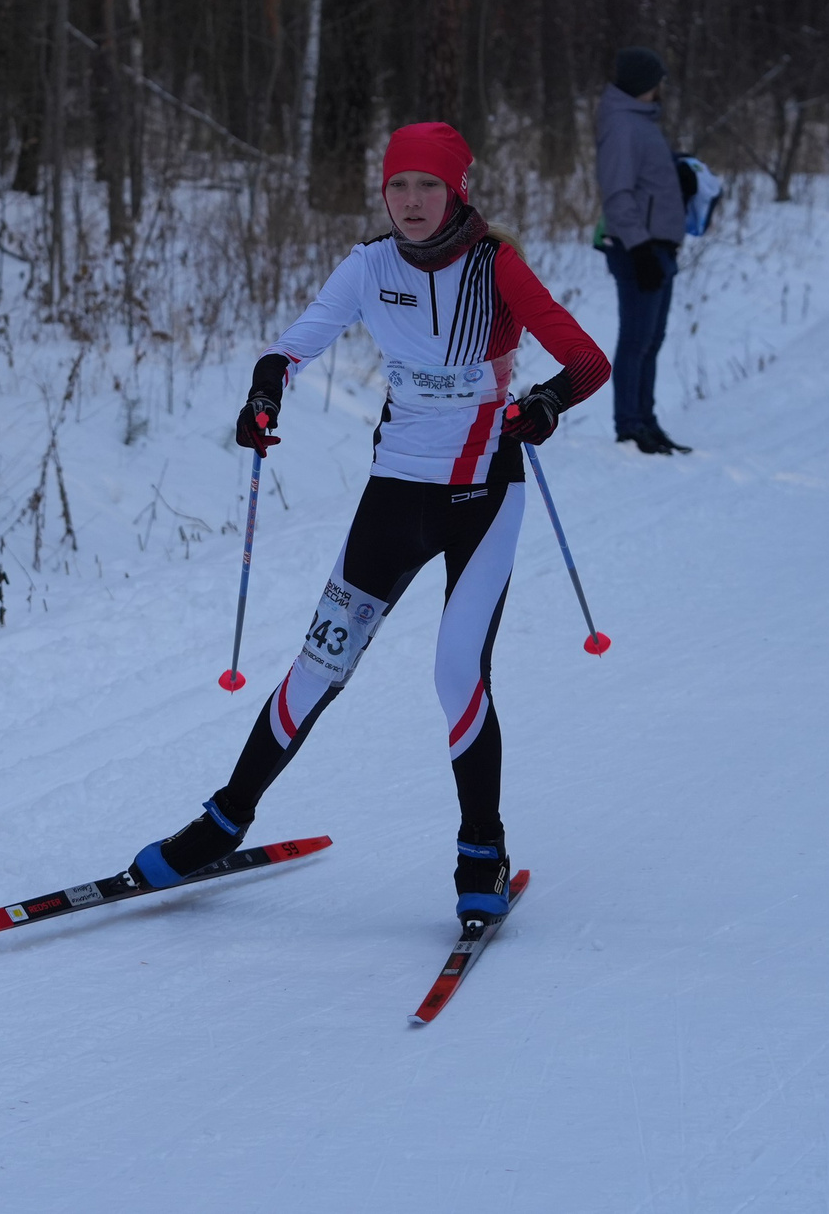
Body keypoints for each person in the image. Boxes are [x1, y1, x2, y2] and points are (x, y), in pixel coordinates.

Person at [132, 123, 609, 926]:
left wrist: (545, 403)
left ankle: (481, 852)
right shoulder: (367, 265)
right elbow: (289, 350)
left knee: (456, 669)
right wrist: (262, 398)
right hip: (396, 495)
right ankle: (221, 823)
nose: (412, 201)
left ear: (456, 190)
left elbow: (587, 361)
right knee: (320, 662)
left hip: (484, 493)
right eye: (399, 186)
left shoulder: (496, 265)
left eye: (428, 186)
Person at [593, 47, 690, 454]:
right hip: (638, 250)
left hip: (656, 247)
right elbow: (617, 193)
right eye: (658, 81)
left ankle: (646, 421)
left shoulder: (641, 121)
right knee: (636, 339)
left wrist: (679, 170)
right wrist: (640, 247)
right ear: (644, 84)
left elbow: (644, 179)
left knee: (652, 338)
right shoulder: (622, 124)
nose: (662, 88)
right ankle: (629, 425)